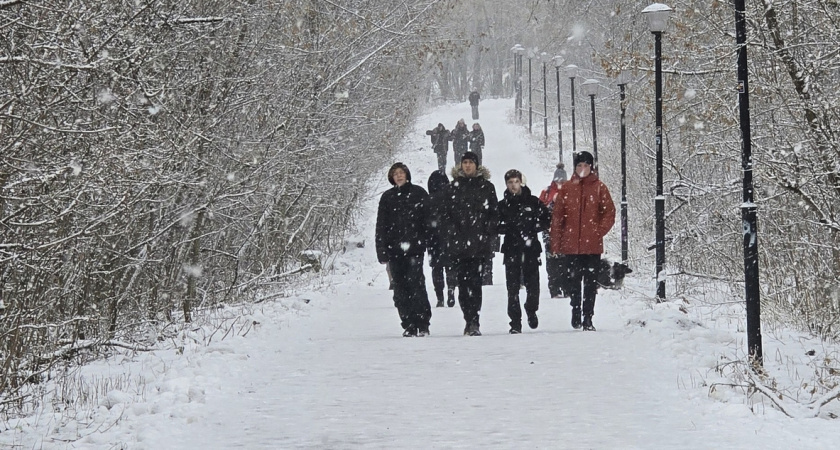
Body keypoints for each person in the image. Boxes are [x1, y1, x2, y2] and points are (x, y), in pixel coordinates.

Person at [549, 151, 615, 331]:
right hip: (571, 246)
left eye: (586, 165)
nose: (583, 169)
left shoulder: (599, 188)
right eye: (579, 165)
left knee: (590, 283)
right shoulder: (567, 189)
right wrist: (556, 243)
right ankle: (576, 310)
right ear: (575, 167)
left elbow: (609, 213)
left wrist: (597, 232)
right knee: (573, 281)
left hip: (592, 246)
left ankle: (588, 317)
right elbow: (557, 219)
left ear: (591, 167)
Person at [375, 163, 433, 337]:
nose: (399, 176)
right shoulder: (387, 197)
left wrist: (428, 242)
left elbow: (429, 221)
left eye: (401, 173)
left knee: (416, 285)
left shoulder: (419, 193)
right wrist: (381, 249)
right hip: (394, 251)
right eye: (395, 174)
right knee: (400, 288)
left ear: (407, 175)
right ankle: (408, 323)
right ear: (391, 177)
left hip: (415, 249)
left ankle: (422, 323)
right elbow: (381, 226)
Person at [448, 151, 498, 336]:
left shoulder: (487, 187)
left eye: (471, 162)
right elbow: (447, 215)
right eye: (465, 162)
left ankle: (474, 320)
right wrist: (451, 235)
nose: (467, 166)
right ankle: (467, 318)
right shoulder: (453, 187)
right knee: (462, 284)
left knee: (476, 284)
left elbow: (494, 213)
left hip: (479, 244)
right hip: (459, 245)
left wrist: (488, 233)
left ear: (477, 165)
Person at [498, 169, 551, 334]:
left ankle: (531, 308)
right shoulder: (502, 205)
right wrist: (507, 228)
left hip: (530, 250)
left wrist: (535, 227)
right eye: (510, 182)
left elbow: (546, 218)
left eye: (515, 182)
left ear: (521, 182)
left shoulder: (533, 202)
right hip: (511, 250)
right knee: (512, 288)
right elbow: (494, 224)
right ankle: (515, 322)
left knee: (533, 286)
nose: (513, 185)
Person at [427, 169, 457, 308]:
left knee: (436, 268)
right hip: (450, 237)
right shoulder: (451, 198)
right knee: (450, 266)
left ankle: (439, 296)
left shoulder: (428, 200)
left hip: (434, 238)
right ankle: (451, 288)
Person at [539, 163, 568, 298]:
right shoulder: (546, 192)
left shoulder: (570, 191)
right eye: (559, 180)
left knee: (566, 261)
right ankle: (554, 288)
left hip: (566, 232)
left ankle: (566, 286)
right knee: (552, 261)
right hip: (549, 231)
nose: (560, 182)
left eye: (563, 180)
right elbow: (540, 210)